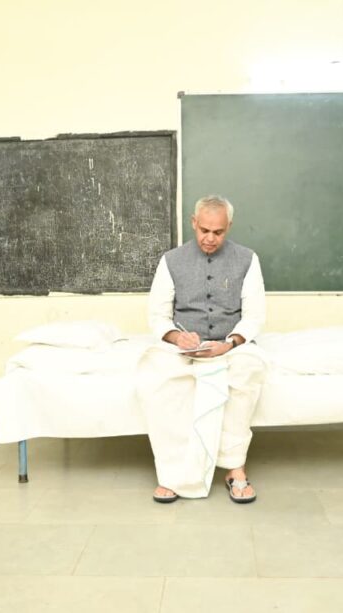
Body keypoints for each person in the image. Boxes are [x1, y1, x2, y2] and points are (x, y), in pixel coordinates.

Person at [136, 195, 268, 504]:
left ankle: (235, 470)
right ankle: (171, 476)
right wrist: (176, 338)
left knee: (247, 373)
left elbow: (254, 316)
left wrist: (229, 344)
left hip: (230, 345)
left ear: (229, 227)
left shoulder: (248, 259)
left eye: (218, 232)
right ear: (193, 223)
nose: (210, 238)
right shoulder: (171, 260)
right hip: (183, 347)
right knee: (159, 380)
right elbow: (158, 316)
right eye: (204, 230)